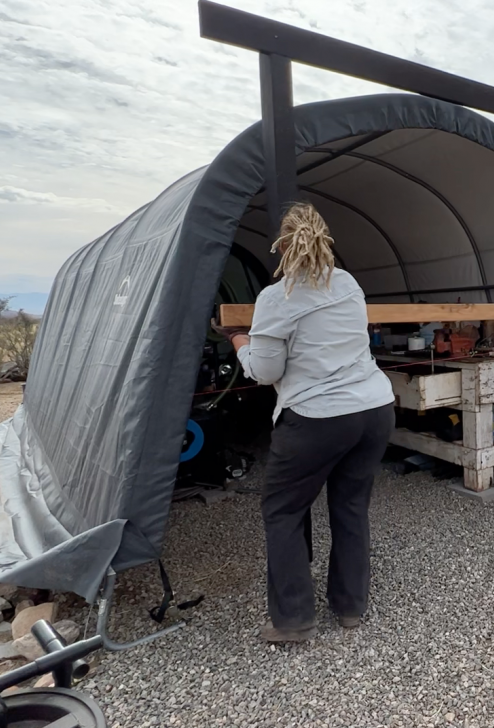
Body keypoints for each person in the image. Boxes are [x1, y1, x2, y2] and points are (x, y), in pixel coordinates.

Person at [216, 202, 395, 643]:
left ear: (282, 246)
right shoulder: (349, 284)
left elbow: (265, 371)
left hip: (318, 417)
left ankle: (294, 620)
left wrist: (239, 339)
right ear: (325, 241)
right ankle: (350, 608)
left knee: (283, 509)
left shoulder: (277, 297)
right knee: (351, 506)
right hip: (374, 408)